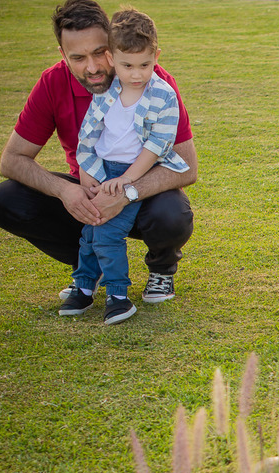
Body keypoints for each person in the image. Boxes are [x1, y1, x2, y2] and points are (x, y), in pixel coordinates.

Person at [0, 0, 196, 306]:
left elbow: (187, 168)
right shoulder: (52, 82)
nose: (93, 67)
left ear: (112, 46)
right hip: (87, 198)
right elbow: (12, 159)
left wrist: (127, 192)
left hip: (142, 197)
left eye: (99, 53)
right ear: (63, 55)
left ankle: (161, 269)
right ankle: (90, 267)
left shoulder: (151, 81)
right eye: (78, 58)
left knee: (172, 214)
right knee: (4, 200)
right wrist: (64, 192)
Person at [59, 7, 189, 324]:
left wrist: (128, 181)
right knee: (89, 233)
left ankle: (118, 296)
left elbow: (157, 144)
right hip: (101, 170)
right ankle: (84, 286)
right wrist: (88, 173)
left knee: (107, 234)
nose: (136, 74)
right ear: (112, 59)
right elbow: (90, 131)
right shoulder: (109, 89)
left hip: (132, 173)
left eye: (145, 64)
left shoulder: (163, 94)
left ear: (156, 55)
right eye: (127, 65)